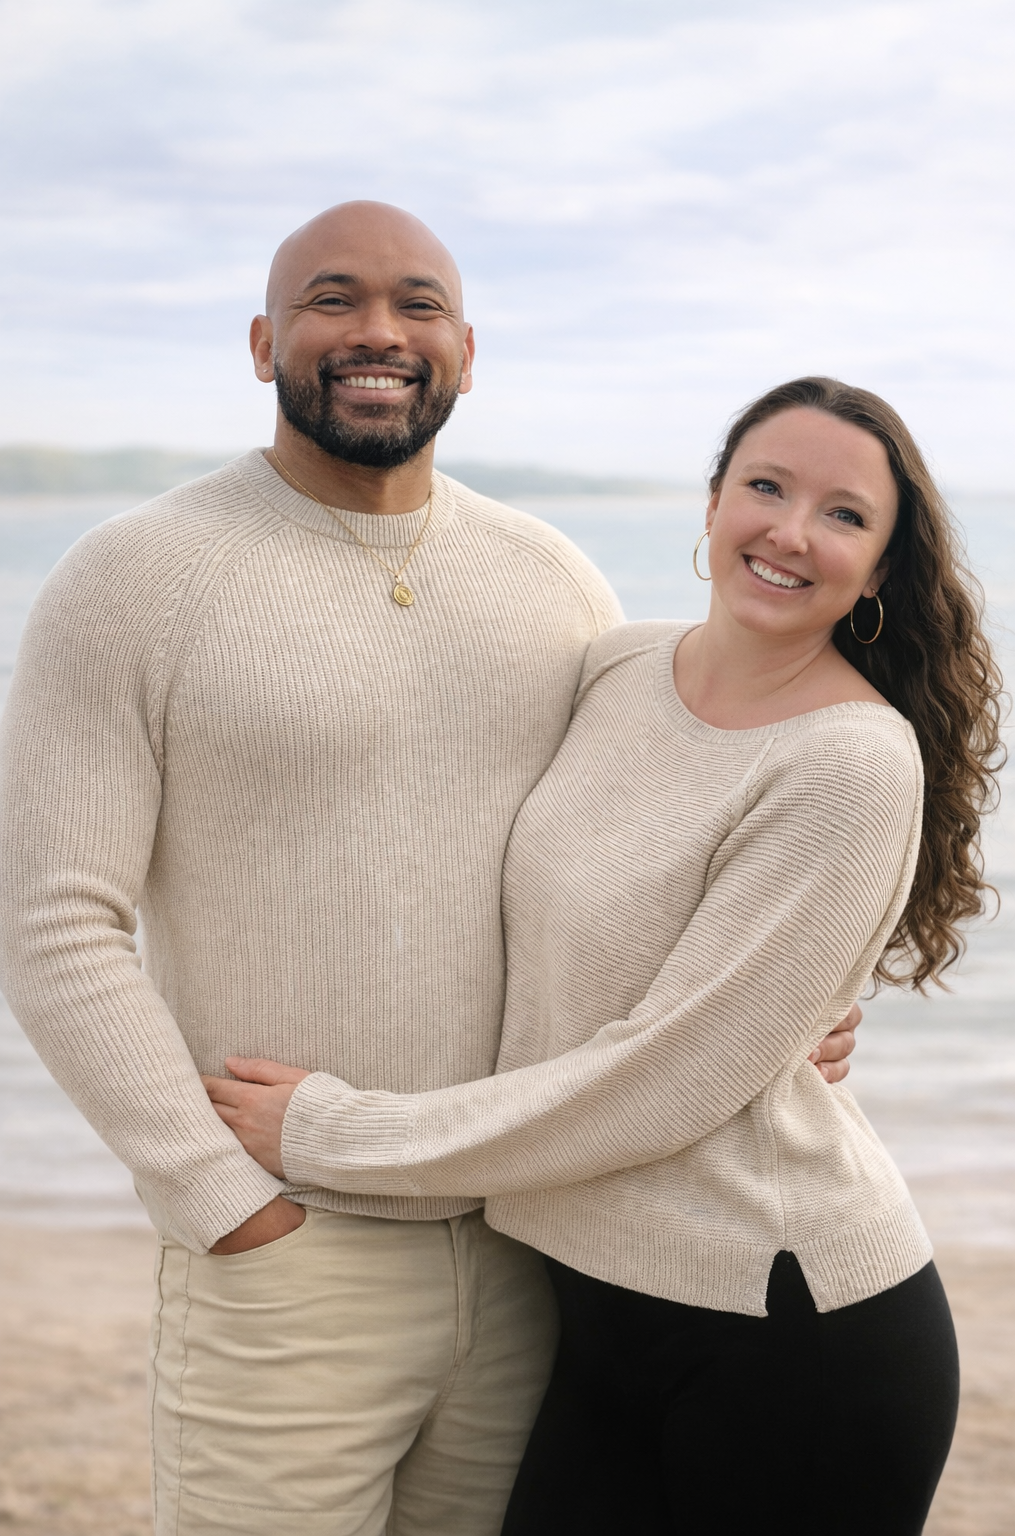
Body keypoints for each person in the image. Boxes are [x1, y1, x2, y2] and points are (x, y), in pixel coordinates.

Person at [0, 209, 859, 1536]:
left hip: (532, 1250)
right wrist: (217, 1200)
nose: (377, 333)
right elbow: (56, 921)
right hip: (292, 1250)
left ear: (466, 349)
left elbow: (631, 853)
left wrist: (779, 1006)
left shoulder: (553, 581)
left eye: (417, 304)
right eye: (331, 300)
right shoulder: (128, 580)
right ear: (262, 342)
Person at [206, 377, 1004, 1535]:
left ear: (879, 570)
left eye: (843, 515)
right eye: (765, 487)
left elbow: (660, 1081)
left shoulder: (849, 764)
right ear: (715, 498)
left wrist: (337, 1132)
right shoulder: (618, 670)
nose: (788, 531)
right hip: (590, 1315)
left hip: (786, 1336)